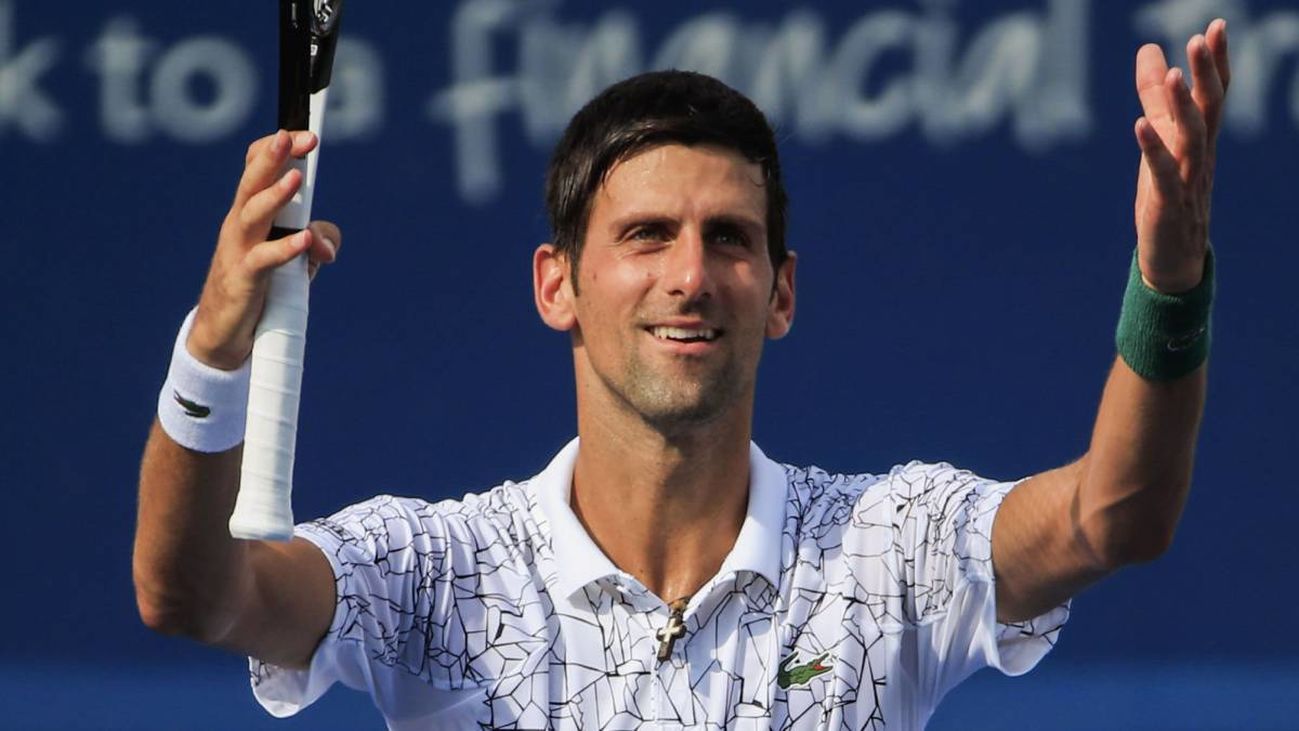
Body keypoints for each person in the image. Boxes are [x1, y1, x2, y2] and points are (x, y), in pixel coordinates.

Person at [134, 18, 1231, 730]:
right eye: (647, 234)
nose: (692, 277)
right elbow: (190, 593)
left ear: (782, 290)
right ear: (555, 284)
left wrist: (1169, 283)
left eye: (731, 240)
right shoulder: (432, 570)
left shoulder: (892, 547)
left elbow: (1110, 518)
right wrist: (215, 350)